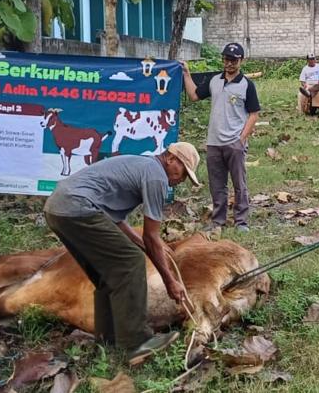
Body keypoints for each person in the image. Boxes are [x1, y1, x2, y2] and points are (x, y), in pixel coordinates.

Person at [43, 143, 202, 365]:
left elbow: (117, 220)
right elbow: (151, 236)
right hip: (78, 207)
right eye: (184, 172)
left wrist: (147, 245)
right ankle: (137, 342)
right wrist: (171, 281)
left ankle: (108, 339)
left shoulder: (141, 165)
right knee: (132, 262)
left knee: (106, 274)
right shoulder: (156, 176)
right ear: (171, 159)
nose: (182, 179)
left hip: (58, 208)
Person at [182, 42, 261, 232]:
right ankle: (218, 221)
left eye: (234, 60)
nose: (230, 63)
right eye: (227, 59)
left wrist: (241, 139)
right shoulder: (214, 81)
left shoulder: (246, 85)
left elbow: (254, 114)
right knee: (217, 185)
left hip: (234, 143)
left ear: (241, 61)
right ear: (223, 60)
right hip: (214, 142)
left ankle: (241, 221)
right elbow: (194, 95)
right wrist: (186, 73)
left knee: (239, 184)